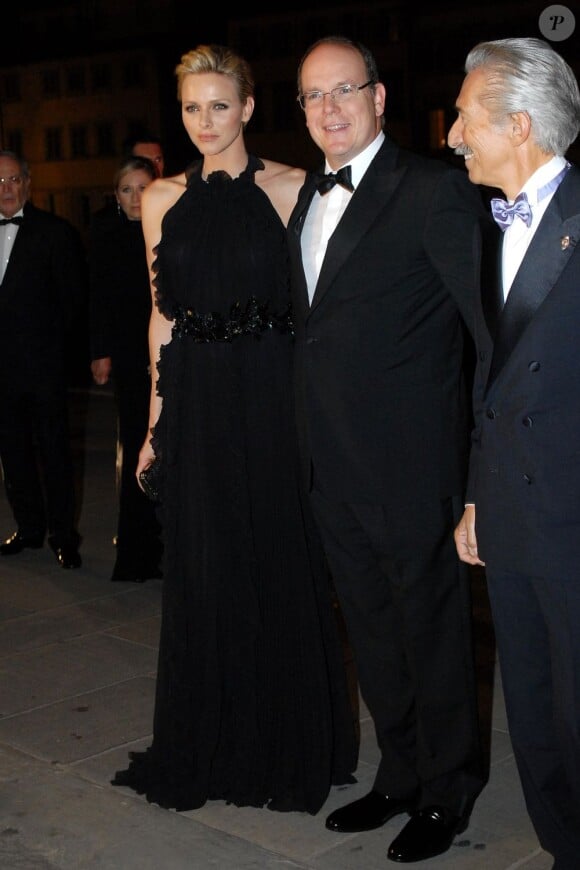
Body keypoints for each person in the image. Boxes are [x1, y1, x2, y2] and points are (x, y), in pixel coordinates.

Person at [111, 43, 358, 813]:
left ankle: (287, 744)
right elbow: (163, 316)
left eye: (220, 105)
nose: (205, 121)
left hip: (271, 398)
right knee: (205, 571)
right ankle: (211, 742)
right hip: (197, 400)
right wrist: (156, 425)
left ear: (248, 107)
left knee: (277, 566)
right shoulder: (159, 199)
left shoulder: (294, 187)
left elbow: (320, 316)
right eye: (191, 107)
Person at [287, 35, 486, 863]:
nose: (328, 109)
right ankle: (399, 774)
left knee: (433, 635)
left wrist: (477, 478)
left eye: (344, 91)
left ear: (377, 97)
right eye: (312, 96)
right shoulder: (305, 197)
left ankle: (449, 790)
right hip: (330, 467)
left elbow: (485, 333)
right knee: (371, 632)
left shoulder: (433, 188)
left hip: (413, 467)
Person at [449, 37, 580, 869]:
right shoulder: (488, 227)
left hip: (571, 519)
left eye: (465, 117)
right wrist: (473, 496)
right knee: (530, 710)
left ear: (518, 123)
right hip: (509, 513)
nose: (455, 135)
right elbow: (487, 381)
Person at [0, 150, 86, 569]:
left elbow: (72, 304)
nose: (6, 189)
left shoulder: (55, 233)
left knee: (55, 454)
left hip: (43, 368)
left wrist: (62, 361)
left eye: (14, 180)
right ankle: (29, 528)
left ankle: (63, 536)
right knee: (12, 454)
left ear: (28, 184)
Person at [89, 155, 163, 583]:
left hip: (172, 353)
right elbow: (98, 296)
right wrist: (100, 350)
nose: (135, 198)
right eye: (126, 190)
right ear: (116, 196)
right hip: (131, 358)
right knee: (139, 446)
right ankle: (137, 555)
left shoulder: (171, 226)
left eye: (142, 187)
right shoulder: (106, 233)